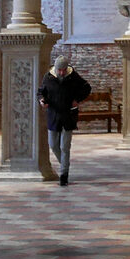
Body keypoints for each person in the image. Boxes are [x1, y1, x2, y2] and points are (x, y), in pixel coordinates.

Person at [38, 56, 90, 186]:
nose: (61, 73)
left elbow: (87, 88)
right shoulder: (48, 77)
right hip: (53, 115)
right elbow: (41, 92)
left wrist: (77, 99)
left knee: (64, 147)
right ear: (55, 68)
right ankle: (65, 164)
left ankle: (64, 175)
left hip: (68, 114)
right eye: (59, 70)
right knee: (53, 144)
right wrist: (42, 100)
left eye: (64, 70)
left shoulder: (73, 76)